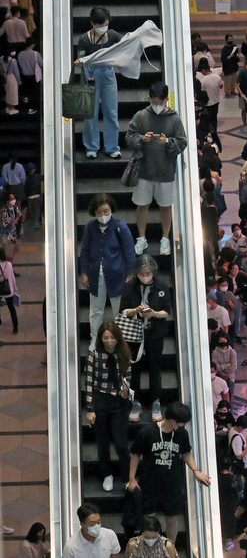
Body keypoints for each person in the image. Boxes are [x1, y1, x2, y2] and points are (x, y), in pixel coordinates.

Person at [129, 401, 211, 544]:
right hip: (150, 484)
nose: (182, 426)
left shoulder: (182, 434)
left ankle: (169, 548)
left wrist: (196, 471)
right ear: (172, 421)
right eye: (181, 423)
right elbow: (135, 454)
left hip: (172, 485)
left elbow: (186, 453)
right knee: (149, 520)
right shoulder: (147, 432)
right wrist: (132, 478)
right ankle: (149, 548)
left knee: (171, 520)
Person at [126, 82, 188, 256]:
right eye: (154, 102)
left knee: (165, 206)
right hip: (144, 171)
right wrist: (141, 139)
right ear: (149, 98)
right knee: (142, 205)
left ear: (166, 100)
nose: (157, 106)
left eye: (160, 103)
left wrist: (167, 142)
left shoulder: (174, 120)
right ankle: (141, 238)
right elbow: (129, 136)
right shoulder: (141, 116)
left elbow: (182, 142)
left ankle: (165, 238)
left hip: (165, 172)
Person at [120, 254, 171, 424]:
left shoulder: (161, 287)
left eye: (148, 273)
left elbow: (166, 311)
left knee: (155, 367)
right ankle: (136, 402)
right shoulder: (129, 287)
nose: (145, 276)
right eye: (142, 274)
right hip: (134, 334)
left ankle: (155, 401)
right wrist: (135, 310)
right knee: (135, 368)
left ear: (153, 272)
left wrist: (154, 313)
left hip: (155, 333)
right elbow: (123, 311)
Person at [80, 192, 135, 345]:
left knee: (120, 311)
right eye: (99, 212)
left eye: (106, 211)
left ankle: (120, 340)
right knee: (95, 311)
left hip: (118, 277)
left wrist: (129, 275)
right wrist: (84, 273)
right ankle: (95, 339)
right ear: (94, 212)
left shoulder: (120, 227)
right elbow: (84, 251)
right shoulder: (90, 228)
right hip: (95, 276)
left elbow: (130, 253)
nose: (103, 215)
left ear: (111, 209)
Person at [85, 320, 132, 491]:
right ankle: (107, 474)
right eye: (105, 338)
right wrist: (90, 409)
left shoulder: (124, 354)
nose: (109, 341)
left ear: (117, 338)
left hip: (119, 402)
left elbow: (129, 377)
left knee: (121, 444)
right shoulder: (94, 355)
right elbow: (89, 382)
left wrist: (127, 392)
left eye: (112, 337)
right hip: (100, 400)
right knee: (102, 442)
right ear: (101, 339)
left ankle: (127, 477)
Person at [76, 5, 122, 157]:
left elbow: (124, 46)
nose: (103, 27)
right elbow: (80, 57)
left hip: (108, 73)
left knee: (111, 112)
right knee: (91, 113)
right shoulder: (84, 39)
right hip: (90, 74)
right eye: (100, 25)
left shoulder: (113, 35)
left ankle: (112, 147)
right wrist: (79, 62)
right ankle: (91, 146)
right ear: (92, 23)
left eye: (106, 24)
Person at [0, 192, 23, 267]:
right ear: (8, 201)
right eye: (12, 199)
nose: (14, 200)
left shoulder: (15, 208)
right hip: (8, 238)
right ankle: (8, 269)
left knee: (13, 253)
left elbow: (20, 215)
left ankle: (10, 269)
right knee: (8, 256)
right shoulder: (4, 211)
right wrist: (17, 218)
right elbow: (9, 224)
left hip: (15, 235)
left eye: (14, 198)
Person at [0, 242, 19, 331]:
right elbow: (12, 277)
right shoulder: (9, 264)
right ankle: (15, 325)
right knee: (11, 308)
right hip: (8, 289)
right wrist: (14, 288)